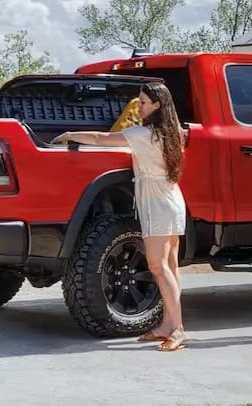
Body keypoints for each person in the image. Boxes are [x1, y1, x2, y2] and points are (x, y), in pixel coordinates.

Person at [51, 82, 188, 352]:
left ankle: (177, 329)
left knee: (159, 266)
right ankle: (167, 324)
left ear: (157, 106)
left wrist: (69, 134)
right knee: (170, 266)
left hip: (158, 203)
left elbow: (102, 139)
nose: (139, 106)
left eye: (144, 102)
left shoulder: (142, 134)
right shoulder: (173, 134)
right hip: (172, 199)